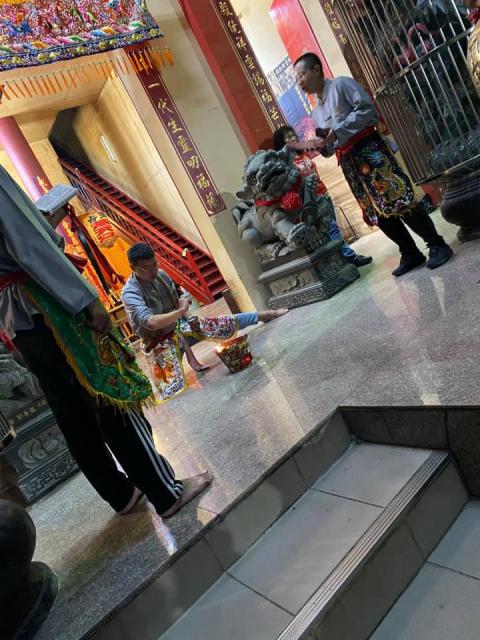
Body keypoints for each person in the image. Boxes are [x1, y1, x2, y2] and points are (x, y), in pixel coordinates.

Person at [0, 164, 211, 519]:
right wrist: (85, 299)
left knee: (70, 410)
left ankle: (121, 494)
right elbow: (29, 246)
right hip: (48, 303)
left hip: (16, 317)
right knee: (111, 393)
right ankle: (165, 492)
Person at [294, 52, 453, 277]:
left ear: (316, 70)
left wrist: (337, 131)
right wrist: (321, 146)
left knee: (398, 198)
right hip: (349, 162)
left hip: (369, 150)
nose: (299, 81)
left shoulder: (341, 85)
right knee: (375, 211)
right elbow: (331, 146)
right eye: (296, 78)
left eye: (301, 75)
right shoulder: (316, 112)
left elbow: (368, 110)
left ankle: (436, 244)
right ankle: (409, 252)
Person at [121, 243, 288, 402]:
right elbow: (151, 322)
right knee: (172, 389)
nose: (153, 271)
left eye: (154, 264)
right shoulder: (130, 292)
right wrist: (181, 311)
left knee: (221, 323)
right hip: (157, 342)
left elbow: (178, 297)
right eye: (146, 268)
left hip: (179, 326)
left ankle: (264, 315)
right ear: (132, 267)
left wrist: (188, 317)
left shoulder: (161, 275)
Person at [273, 125, 372, 268]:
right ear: (281, 142)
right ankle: (349, 257)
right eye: (287, 137)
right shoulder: (285, 163)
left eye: (292, 134)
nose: (292, 138)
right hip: (311, 201)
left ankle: (343, 257)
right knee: (332, 228)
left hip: (323, 193)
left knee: (332, 228)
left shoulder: (303, 154)